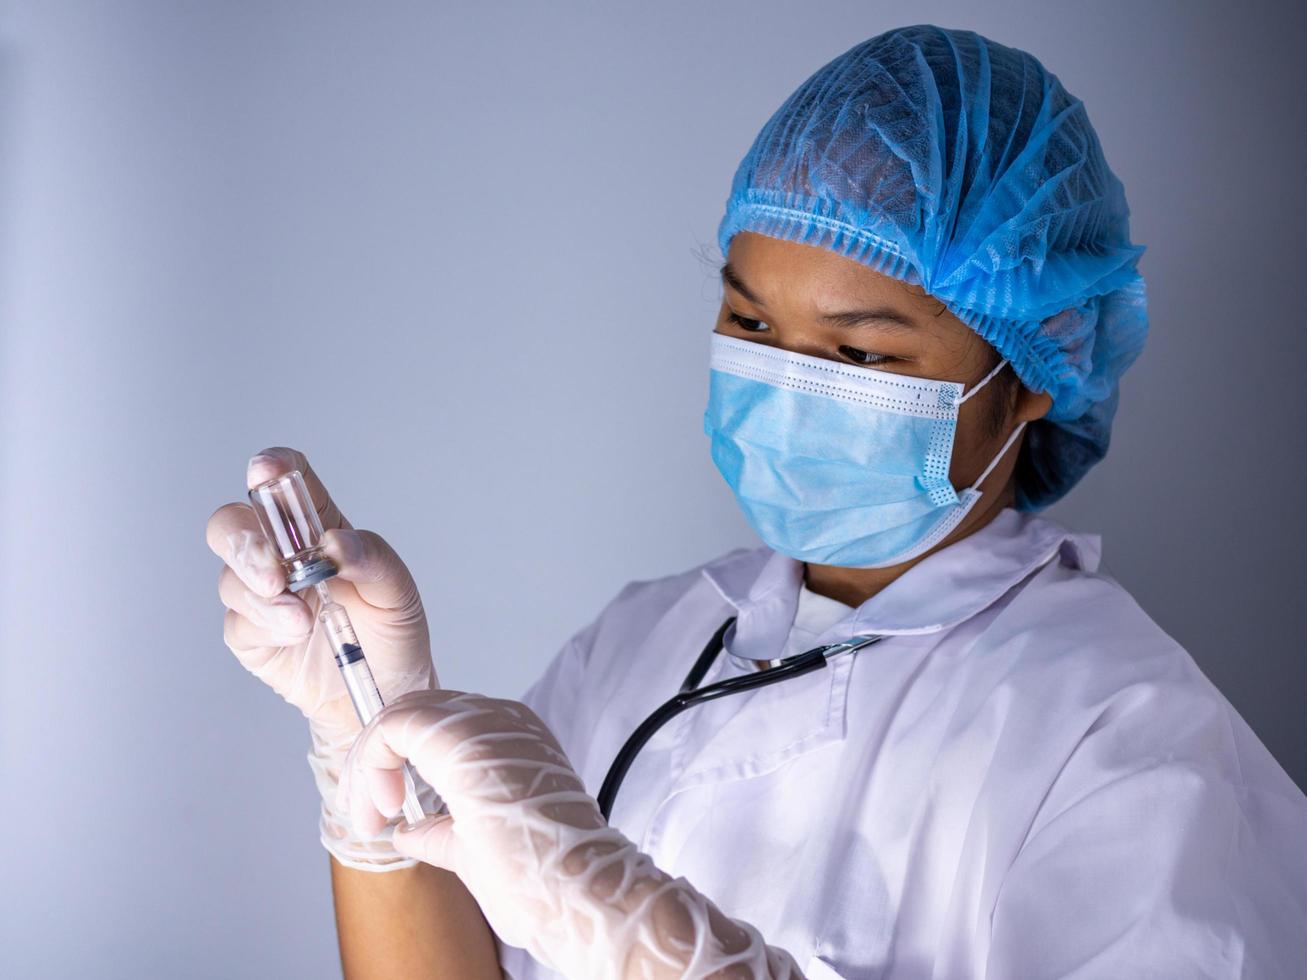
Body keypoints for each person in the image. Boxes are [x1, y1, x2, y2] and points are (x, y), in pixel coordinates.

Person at [206, 23, 1307, 979]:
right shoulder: (643, 641)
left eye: (858, 353)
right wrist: (367, 736)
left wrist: (641, 934)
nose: (786, 379)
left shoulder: (1128, 744)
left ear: (1024, 380)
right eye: (751, 325)